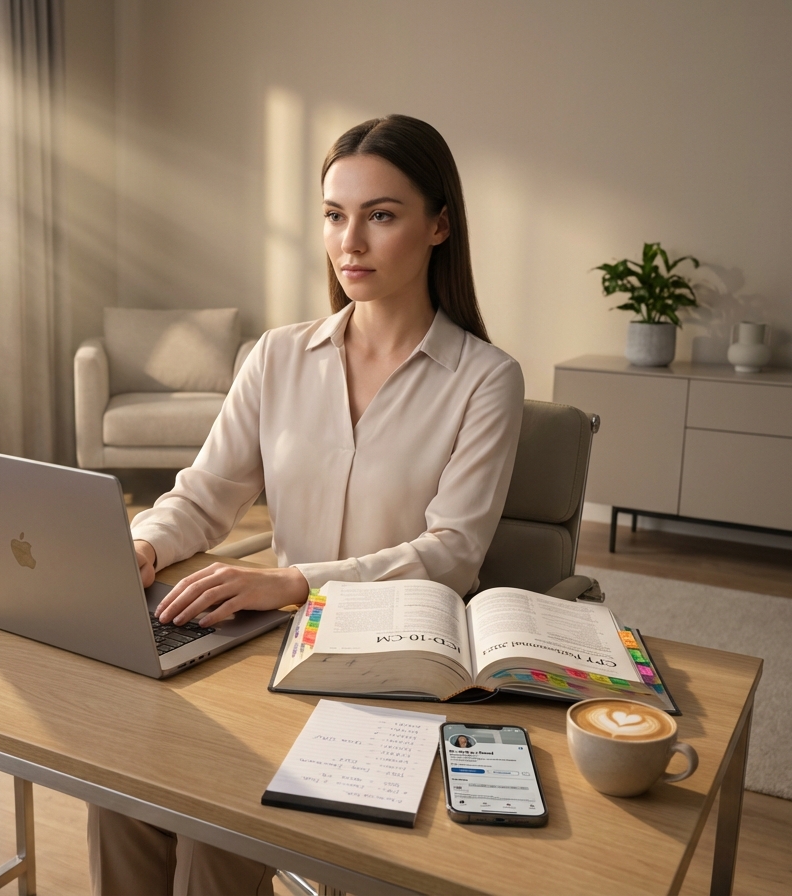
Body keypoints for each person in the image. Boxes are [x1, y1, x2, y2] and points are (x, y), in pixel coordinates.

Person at [88, 114, 525, 896]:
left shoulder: (486, 379)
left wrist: (293, 582)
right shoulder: (277, 356)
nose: (349, 242)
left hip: (392, 665)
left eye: (380, 215)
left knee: (217, 840)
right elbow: (205, 494)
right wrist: (145, 545)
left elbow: (452, 555)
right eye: (333, 215)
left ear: (439, 225)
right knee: (119, 795)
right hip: (264, 650)